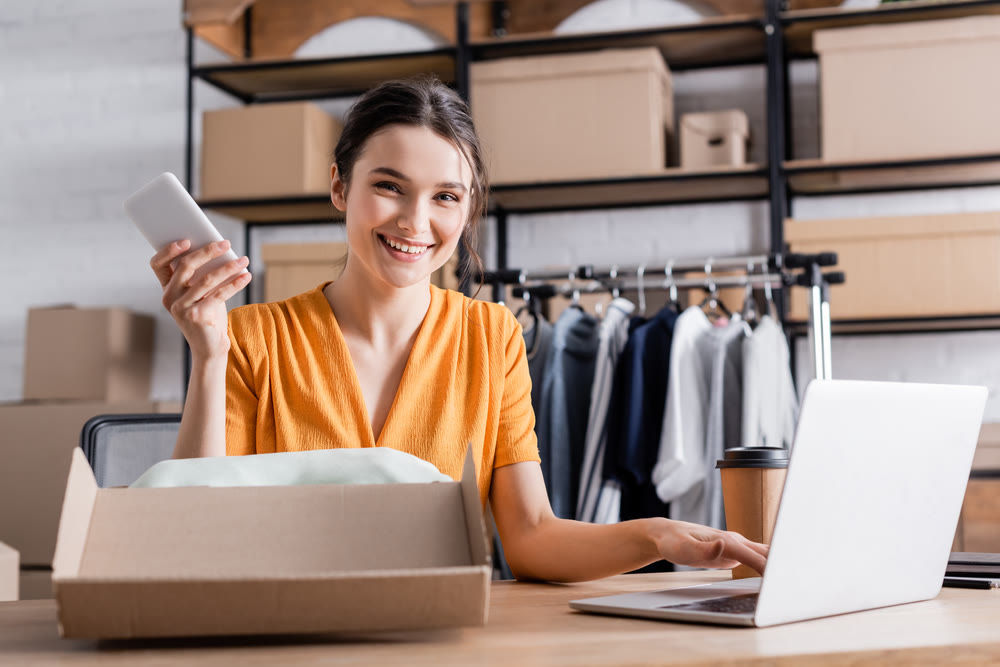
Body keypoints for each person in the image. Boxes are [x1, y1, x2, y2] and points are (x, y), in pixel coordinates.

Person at [149, 76, 768, 583]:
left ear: (468, 208)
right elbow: (195, 539)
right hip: (288, 638)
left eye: (446, 197)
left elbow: (528, 537)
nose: (416, 222)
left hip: (439, 636)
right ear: (340, 185)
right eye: (389, 187)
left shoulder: (490, 335)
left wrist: (654, 534)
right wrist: (208, 354)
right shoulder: (253, 337)